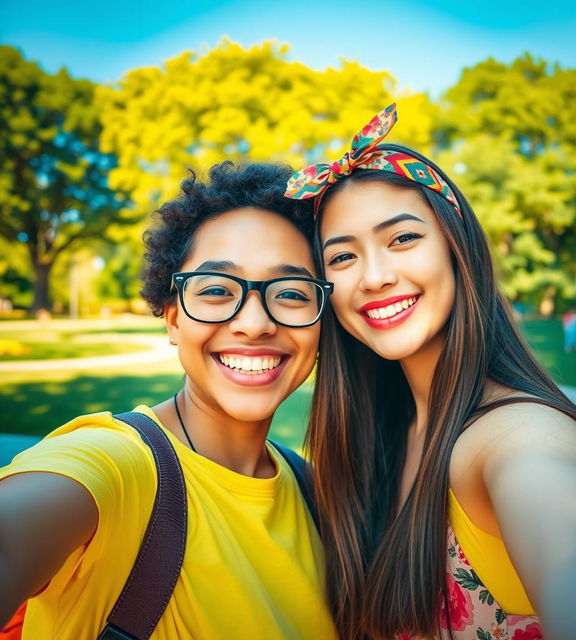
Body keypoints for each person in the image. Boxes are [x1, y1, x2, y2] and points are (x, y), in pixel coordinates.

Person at [285, 105, 576, 640]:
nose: (376, 276)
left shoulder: (513, 435)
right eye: (342, 257)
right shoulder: (376, 441)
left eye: (403, 238)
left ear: (458, 248)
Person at [0, 162, 337, 639]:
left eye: (291, 293)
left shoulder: (314, 491)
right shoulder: (118, 465)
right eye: (218, 290)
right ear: (173, 319)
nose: (256, 323)